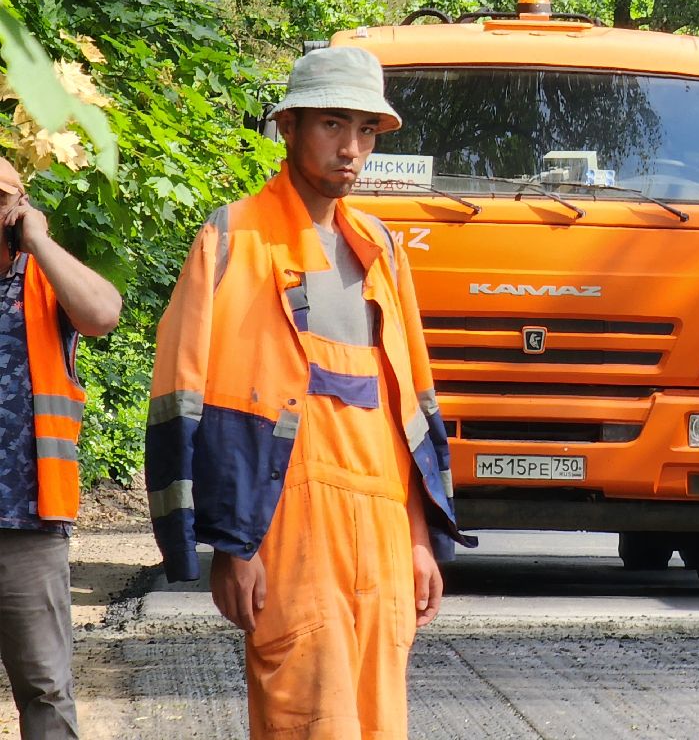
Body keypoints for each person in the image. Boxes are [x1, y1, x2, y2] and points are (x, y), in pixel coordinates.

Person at [146, 47, 472, 739]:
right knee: (306, 719)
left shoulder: (381, 248)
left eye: (365, 130)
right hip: (290, 528)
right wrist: (234, 547)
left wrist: (418, 539)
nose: (350, 147)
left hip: (382, 531)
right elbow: (184, 391)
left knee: (381, 722)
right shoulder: (232, 237)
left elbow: (407, 406)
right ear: (288, 127)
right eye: (332, 124)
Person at [0, 156, 123, 738]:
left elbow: (102, 314)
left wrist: (40, 242)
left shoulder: (44, 280)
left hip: (28, 523)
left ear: (20, 204)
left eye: (0, 198)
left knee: (45, 688)